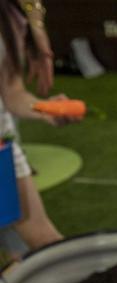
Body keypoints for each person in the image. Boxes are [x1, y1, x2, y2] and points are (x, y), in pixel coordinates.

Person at [0, 0, 75, 252]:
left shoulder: (9, 16)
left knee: (46, 244)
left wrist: (45, 111)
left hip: (2, 152)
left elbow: (12, 94)